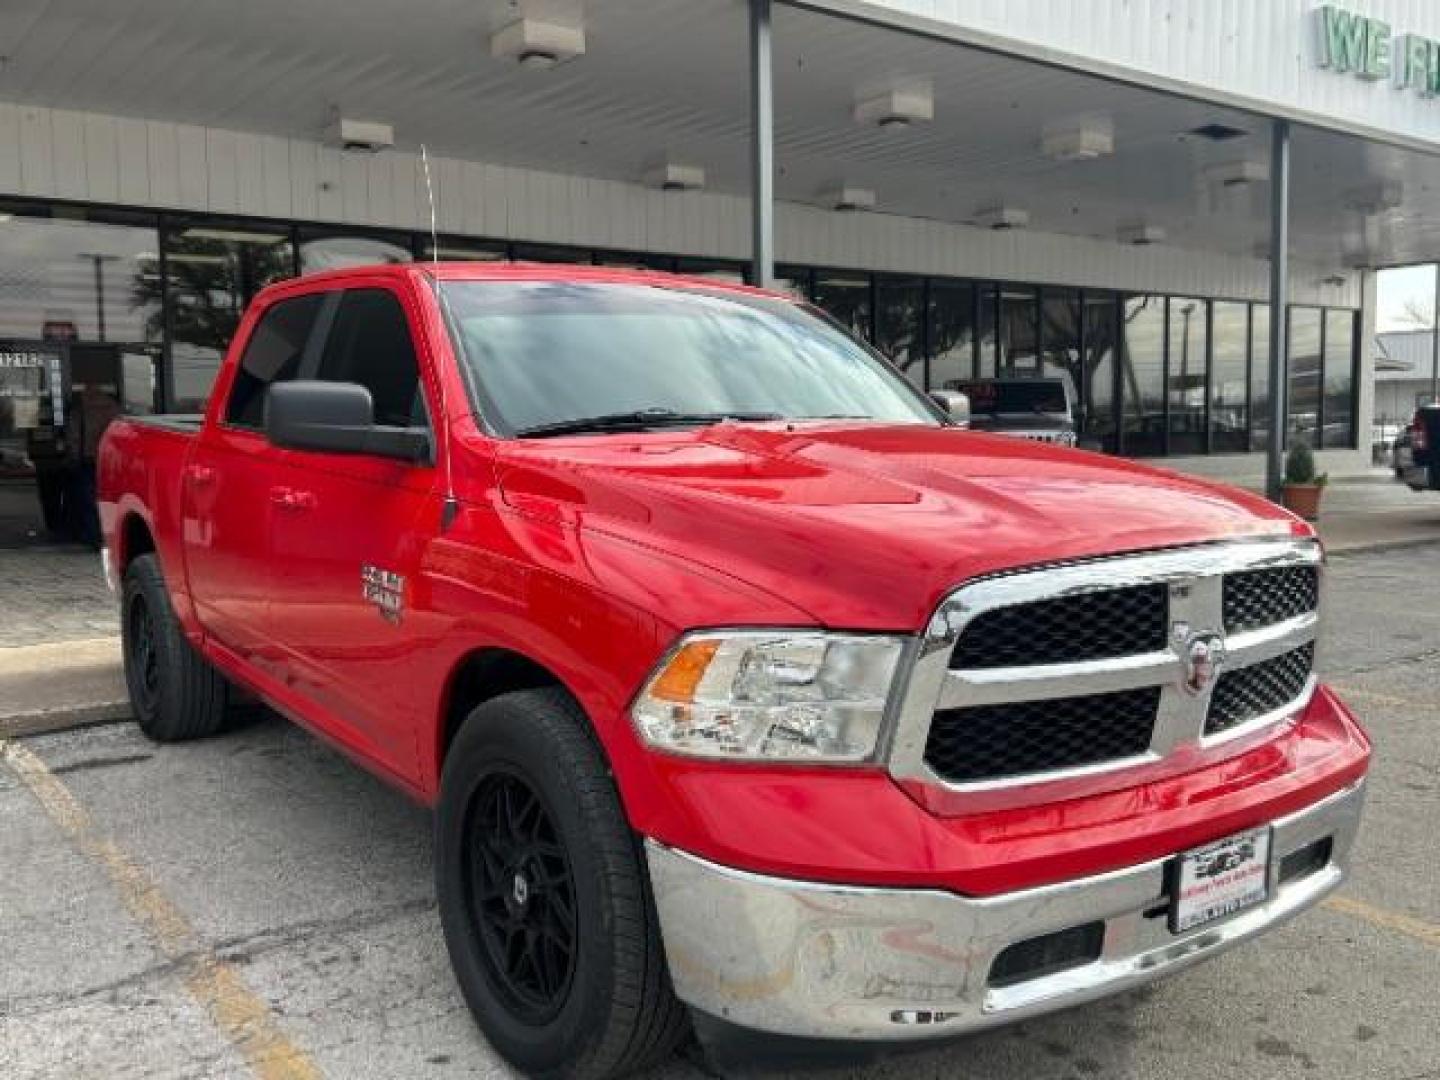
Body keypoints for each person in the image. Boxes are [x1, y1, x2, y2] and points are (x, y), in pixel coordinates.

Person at [64, 384, 121, 548]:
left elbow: (74, 437)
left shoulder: (79, 410)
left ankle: (92, 535)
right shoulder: (113, 408)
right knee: (106, 498)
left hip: (87, 460)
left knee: (87, 499)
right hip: (106, 460)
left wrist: (72, 456)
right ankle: (107, 535)